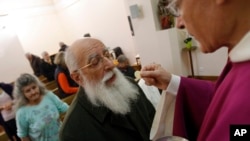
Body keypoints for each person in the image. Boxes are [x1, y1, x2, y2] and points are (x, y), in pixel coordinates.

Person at [140, 0, 250, 141]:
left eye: (178, 7)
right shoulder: (240, 58)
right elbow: (222, 99)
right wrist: (173, 82)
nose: (179, 24)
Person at [60, 38, 155, 141]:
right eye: (95, 62)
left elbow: (154, 123)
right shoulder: (72, 132)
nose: (111, 64)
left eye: (107, 55)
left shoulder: (130, 84)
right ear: (79, 78)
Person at [13, 73, 69, 141]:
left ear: (38, 86)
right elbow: (23, 135)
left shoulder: (49, 96)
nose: (33, 92)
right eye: (28, 91)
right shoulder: (21, 112)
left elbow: (66, 109)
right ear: (22, 94)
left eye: (34, 87)